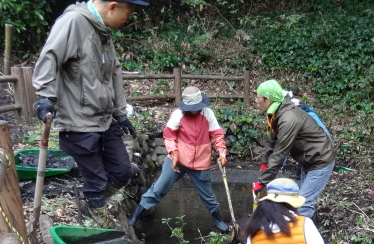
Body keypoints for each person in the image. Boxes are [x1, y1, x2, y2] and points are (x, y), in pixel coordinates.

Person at [32, 0, 148, 228]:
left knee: (123, 170)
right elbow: (50, 56)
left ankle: (94, 202)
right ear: (113, 6)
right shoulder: (74, 22)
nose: (128, 20)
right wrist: (45, 97)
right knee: (96, 180)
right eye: (129, 12)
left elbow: (114, 73)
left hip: (104, 118)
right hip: (78, 120)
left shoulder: (103, 32)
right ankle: (99, 220)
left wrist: (121, 113)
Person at [127, 86, 229, 231]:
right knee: (159, 189)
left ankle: (218, 221)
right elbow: (169, 135)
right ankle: (134, 218)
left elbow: (217, 135)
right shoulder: (178, 114)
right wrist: (174, 153)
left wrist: (222, 152)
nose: (195, 110)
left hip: (201, 162)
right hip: (177, 160)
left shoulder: (208, 114)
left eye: (197, 107)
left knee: (208, 196)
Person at [253, 80, 336, 219]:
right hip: (308, 159)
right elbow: (271, 143)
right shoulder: (275, 113)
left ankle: (304, 237)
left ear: (268, 100)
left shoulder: (288, 119)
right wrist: (264, 164)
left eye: (257, 97)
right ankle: (305, 226)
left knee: (303, 203)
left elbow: (280, 152)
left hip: (320, 160)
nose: (255, 101)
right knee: (302, 200)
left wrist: (263, 182)